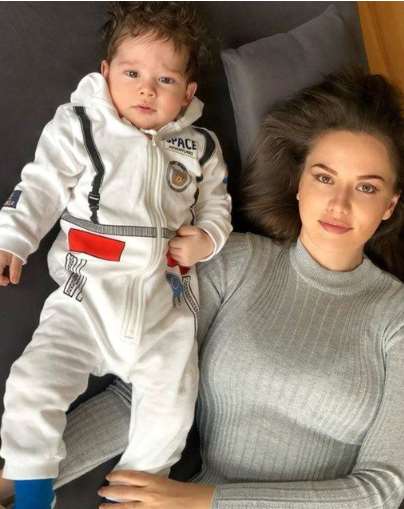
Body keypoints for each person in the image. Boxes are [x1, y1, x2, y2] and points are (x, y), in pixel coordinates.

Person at [2, 67, 402, 509]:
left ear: (389, 205)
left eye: (367, 187)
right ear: (299, 183)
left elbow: (383, 489)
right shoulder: (235, 262)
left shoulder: (396, 316)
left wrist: (203, 500)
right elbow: (140, 396)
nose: (339, 204)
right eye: (324, 177)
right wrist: (15, 480)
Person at [0, 2, 232, 509]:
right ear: (106, 74)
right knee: (32, 386)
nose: (147, 90)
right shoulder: (81, 125)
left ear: (188, 92)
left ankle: (136, 492)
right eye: (132, 74)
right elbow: (40, 184)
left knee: (172, 404)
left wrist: (207, 238)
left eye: (166, 80)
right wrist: (12, 238)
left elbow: (218, 206)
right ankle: (32, 494)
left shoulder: (200, 147)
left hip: (163, 305)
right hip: (86, 297)